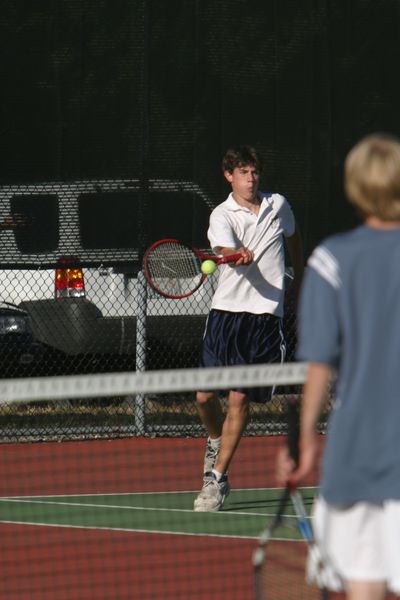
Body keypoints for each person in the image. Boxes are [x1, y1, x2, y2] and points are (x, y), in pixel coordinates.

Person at [277, 133, 400, 599]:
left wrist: (304, 441)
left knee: (362, 588)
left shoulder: (331, 261)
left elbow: (318, 365)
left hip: (356, 456)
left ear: (355, 189)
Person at [193, 144, 304, 512]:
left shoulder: (278, 206)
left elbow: (294, 237)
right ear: (229, 176)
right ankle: (214, 439)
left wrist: (298, 276)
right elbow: (224, 246)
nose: (251, 178)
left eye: (254, 172)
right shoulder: (221, 214)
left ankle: (217, 480)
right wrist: (236, 255)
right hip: (225, 315)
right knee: (204, 398)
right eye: (243, 172)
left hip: (263, 318)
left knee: (239, 397)